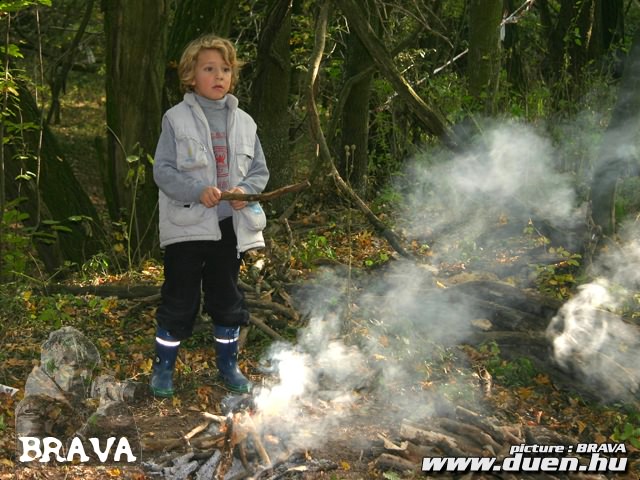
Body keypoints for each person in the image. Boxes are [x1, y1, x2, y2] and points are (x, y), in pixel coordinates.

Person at [150, 34, 269, 397]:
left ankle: (228, 366)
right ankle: (163, 369)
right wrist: (196, 190)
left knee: (227, 298)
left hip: (229, 228)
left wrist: (244, 192)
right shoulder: (175, 119)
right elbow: (163, 171)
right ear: (190, 76)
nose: (219, 76)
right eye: (209, 69)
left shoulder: (245, 122)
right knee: (179, 299)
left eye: (226, 69)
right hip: (187, 228)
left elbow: (259, 171)